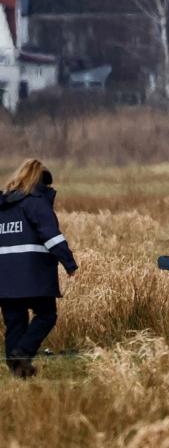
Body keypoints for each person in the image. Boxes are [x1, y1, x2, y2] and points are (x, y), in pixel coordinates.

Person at [0, 159, 78, 378]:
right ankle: (22, 353)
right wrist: (69, 263)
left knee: (15, 321)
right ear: (38, 180)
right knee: (46, 314)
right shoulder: (35, 202)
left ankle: (18, 371)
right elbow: (52, 237)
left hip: (4, 278)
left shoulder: (3, 204)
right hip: (32, 276)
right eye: (46, 184)